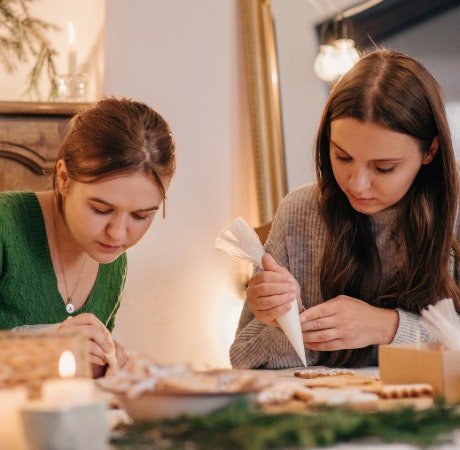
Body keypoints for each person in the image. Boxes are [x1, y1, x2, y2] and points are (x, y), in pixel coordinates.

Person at [230, 48, 460, 370]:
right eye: (343, 157)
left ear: (430, 150)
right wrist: (281, 323)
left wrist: (388, 327)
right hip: (326, 415)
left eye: (383, 168)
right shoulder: (300, 211)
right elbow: (241, 358)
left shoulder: (455, 213)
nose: (356, 184)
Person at [0, 97, 176, 377]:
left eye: (140, 216)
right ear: (64, 177)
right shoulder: (4, 225)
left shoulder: (113, 263)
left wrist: (102, 364)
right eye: (101, 209)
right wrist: (39, 349)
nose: (117, 233)